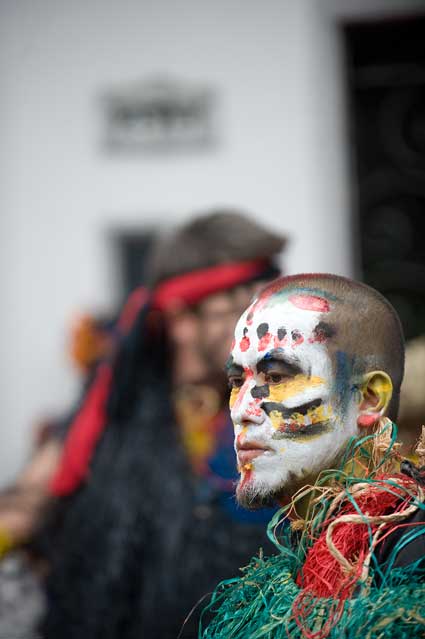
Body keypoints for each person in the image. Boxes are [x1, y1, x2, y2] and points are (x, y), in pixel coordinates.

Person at [41, 210, 287, 639]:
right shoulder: (107, 418)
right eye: (244, 302)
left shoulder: (278, 411)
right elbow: (39, 494)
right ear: (181, 319)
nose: (261, 325)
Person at [201, 273, 425, 639]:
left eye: (275, 376)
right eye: (236, 382)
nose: (242, 409)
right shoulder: (292, 558)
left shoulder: (411, 559)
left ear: (369, 399)